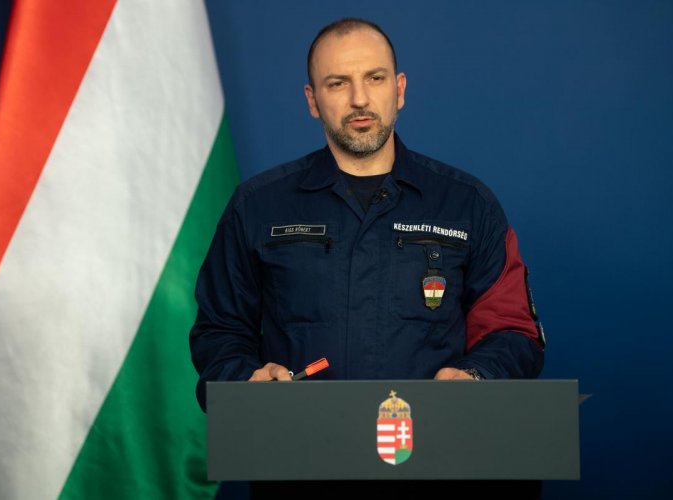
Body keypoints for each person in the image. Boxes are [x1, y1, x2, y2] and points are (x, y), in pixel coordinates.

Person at [190, 17, 546, 498]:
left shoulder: (468, 205)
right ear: (312, 100)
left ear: (399, 89)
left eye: (374, 78)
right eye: (338, 83)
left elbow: (513, 328)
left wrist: (476, 376)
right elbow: (219, 331)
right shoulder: (257, 207)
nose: (359, 99)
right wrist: (246, 378)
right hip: (300, 468)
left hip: (442, 468)